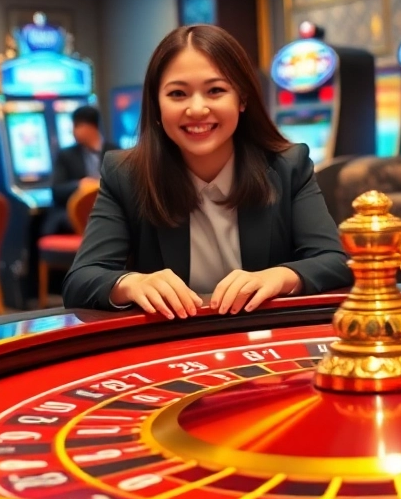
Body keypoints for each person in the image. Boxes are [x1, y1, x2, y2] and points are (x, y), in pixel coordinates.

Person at [64, 25, 351, 316]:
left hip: (265, 336)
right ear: (157, 105)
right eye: (178, 94)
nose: (197, 109)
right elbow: (81, 280)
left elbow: (334, 262)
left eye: (215, 91)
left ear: (242, 99)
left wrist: (279, 277)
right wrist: (131, 283)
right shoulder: (126, 174)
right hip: (172, 344)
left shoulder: (288, 166)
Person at [45, 105, 118, 235]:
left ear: (89, 127)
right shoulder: (66, 155)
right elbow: (57, 191)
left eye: (75, 126)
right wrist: (80, 184)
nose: (72, 131)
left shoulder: (116, 152)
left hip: (109, 213)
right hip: (73, 216)